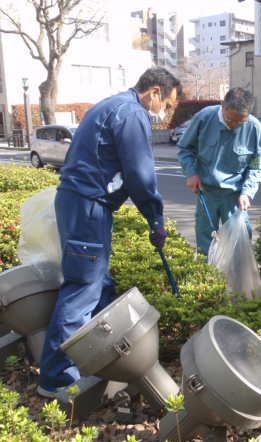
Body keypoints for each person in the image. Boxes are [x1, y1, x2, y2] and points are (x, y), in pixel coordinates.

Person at [37, 67, 182, 398]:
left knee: (101, 286)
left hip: (81, 204)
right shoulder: (132, 113)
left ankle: (97, 359)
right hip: (89, 206)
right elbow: (140, 175)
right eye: (169, 104)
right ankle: (56, 379)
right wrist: (155, 219)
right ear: (155, 92)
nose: (166, 112)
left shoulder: (111, 105)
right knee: (83, 289)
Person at [178, 87, 261, 256]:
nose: (234, 126)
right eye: (231, 119)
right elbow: (185, 149)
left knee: (240, 245)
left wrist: (247, 192)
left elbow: (256, 165)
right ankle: (209, 279)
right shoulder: (204, 117)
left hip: (235, 196)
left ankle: (237, 280)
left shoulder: (254, 128)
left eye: (241, 122)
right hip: (206, 192)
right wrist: (191, 173)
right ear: (222, 105)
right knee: (206, 245)